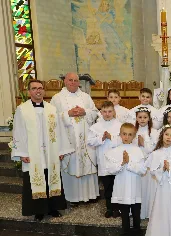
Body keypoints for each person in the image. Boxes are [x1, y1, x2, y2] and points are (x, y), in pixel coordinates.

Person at [11, 79, 74, 221]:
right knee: (35, 180)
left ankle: (53, 208)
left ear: (43, 91)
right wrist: (22, 153)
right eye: (34, 88)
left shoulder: (52, 109)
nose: (38, 91)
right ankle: (38, 210)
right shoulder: (22, 109)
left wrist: (61, 150)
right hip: (33, 154)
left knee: (51, 177)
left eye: (40, 88)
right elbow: (19, 132)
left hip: (50, 153)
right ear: (29, 92)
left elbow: (60, 131)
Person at [50, 72, 99, 204]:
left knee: (87, 164)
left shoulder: (86, 97)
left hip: (85, 139)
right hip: (68, 139)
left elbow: (95, 113)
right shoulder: (57, 98)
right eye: (70, 80)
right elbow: (51, 118)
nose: (73, 82)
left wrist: (85, 112)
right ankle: (73, 198)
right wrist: (67, 114)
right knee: (71, 165)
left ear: (79, 82)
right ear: (65, 81)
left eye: (75, 80)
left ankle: (90, 196)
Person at [105, 123, 147, 236]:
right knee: (124, 214)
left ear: (134, 136)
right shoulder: (114, 151)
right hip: (122, 187)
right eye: (124, 134)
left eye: (130, 134)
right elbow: (110, 170)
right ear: (120, 134)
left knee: (135, 214)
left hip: (134, 187)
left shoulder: (138, 151)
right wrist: (122, 163)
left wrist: (128, 164)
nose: (126, 137)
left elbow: (142, 170)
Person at [88, 101, 122, 218]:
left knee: (117, 186)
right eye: (105, 111)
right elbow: (90, 141)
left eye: (110, 111)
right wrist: (101, 138)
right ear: (101, 112)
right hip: (103, 161)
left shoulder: (120, 125)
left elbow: (124, 140)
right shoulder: (96, 127)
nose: (107, 114)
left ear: (114, 112)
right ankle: (109, 208)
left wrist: (111, 137)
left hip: (117, 161)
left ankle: (117, 208)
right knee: (107, 186)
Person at [131, 107, 159, 219]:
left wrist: (144, 145)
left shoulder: (154, 132)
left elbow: (156, 149)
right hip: (137, 164)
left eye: (145, 117)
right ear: (136, 118)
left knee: (148, 188)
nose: (142, 120)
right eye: (140, 117)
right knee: (138, 188)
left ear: (149, 118)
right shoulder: (133, 131)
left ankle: (148, 212)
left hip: (149, 164)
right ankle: (137, 212)